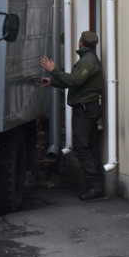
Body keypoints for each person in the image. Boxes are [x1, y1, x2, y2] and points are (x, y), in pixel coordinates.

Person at [38, 31, 105, 201]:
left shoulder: (87, 61)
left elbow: (73, 81)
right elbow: (74, 82)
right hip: (87, 108)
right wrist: (52, 81)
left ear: (81, 43)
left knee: (81, 147)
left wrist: (54, 71)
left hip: (85, 110)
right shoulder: (88, 59)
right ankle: (95, 185)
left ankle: (95, 185)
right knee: (89, 146)